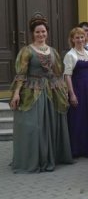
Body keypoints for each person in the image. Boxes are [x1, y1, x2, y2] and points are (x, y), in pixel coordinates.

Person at [9, 15, 74, 173]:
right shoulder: (26, 51)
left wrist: (64, 90)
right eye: (37, 32)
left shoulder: (52, 51)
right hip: (32, 92)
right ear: (33, 33)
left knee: (49, 125)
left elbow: (58, 73)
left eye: (43, 32)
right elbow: (21, 74)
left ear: (47, 33)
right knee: (34, 127)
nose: (41, 35)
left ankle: (50, 156)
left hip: (50, 91)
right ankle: (33, 159)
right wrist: (16, 93)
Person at [63, 27, 88, 158]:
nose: (80, 40)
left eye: (82, 37)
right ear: (72, 39)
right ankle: (77, 149)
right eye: (77, 37)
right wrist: (71, 94)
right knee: (78, 118)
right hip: (78, 89)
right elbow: (67, 75)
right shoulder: (70, 55)